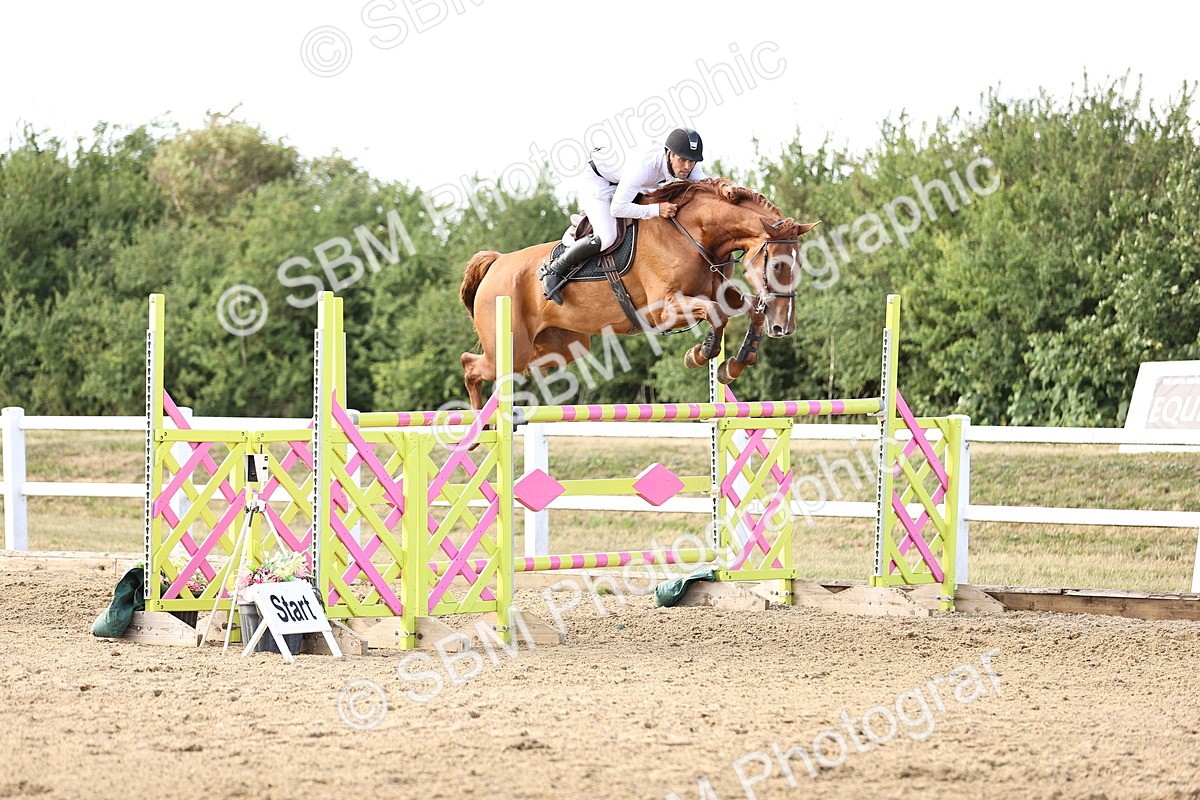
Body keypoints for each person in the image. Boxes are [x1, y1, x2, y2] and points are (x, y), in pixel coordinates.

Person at [539, 127, 709, 304]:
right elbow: (617, 209)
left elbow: (707, 186)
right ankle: (554, 269)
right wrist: (656, 210)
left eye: (692, 162)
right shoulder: (645, 167)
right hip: (598, 180)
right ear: (670, 154)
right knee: (607, 237)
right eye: (682, 160)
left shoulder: (689, 167)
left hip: (628, 181)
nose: (688, 167)